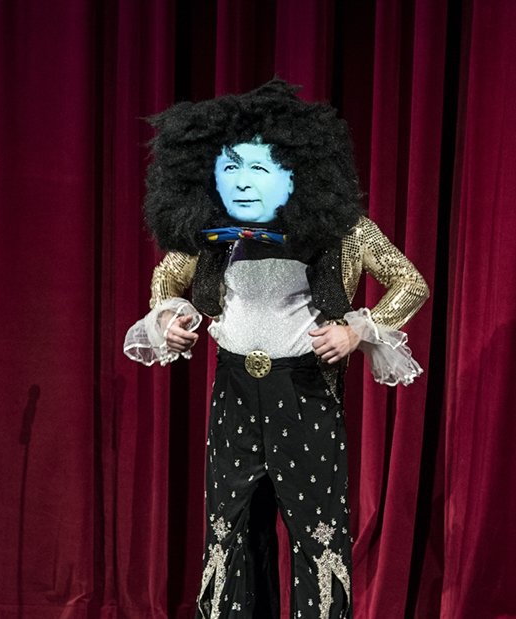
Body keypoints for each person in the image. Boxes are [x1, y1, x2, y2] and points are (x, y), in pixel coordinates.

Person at [124, 80, 429, 619]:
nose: (242, 182)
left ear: (296, 173)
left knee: (317, 529)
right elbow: (166, 277)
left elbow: (410, 283)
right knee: (232, 525)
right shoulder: (210, 233)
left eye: (259, 168)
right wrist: (167, 317)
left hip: (305, 393)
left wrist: (359, 329)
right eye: (230, 167)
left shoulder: (346, 232)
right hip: (235, 393)